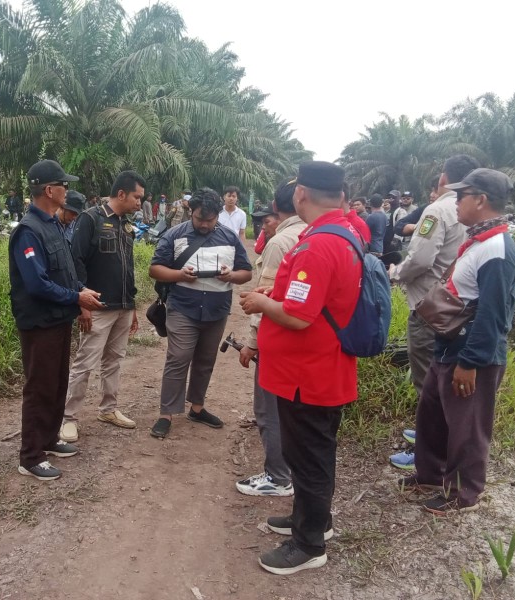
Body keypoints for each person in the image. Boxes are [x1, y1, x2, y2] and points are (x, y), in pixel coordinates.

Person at [239, 161, 362, 575]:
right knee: (313, 451)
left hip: (307, 373)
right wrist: (276, 292)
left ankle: (308, 545)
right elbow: (312, 298)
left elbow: (297, 315)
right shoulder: (340, 234)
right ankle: (313, 519)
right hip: (318, 368)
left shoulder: (318, 245)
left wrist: (261, 303)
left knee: (307, 456)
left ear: (300, 195)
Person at [402, 168, 515, 515]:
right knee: (433, 415)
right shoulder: (479, 240)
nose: (454, 202)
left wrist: (470, 363)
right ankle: (429, 474)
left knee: (467, 428)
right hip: (448, 344)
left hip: (470, 352)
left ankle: (463, 492)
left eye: (460, 196)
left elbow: (494, 316)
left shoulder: (497, 250)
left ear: (480, 200)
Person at [9, 160, 104, 481]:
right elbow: (36, 283)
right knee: (39, 387)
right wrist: (76, 298)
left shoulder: (52, 224)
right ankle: (31, 455)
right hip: (39, 323)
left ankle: (48, 440)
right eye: (63, 185)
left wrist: (80, 289)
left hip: (58, 318)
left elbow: (62, 271)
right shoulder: (28, 231)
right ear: (49, 190)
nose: (67, 190)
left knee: (57, 382)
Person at [388, 155, 479, 470]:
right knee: (439, 379)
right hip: (459, 309)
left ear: (444, 178)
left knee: (428, 385)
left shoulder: (439, 209)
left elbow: (421, 260)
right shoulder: (477, 211)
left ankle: (428, 453)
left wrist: (394, 273)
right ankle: (432, 440)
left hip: (430, 307)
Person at [149, 188, 252, 439]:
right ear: (190, 213)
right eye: (199, 219)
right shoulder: (175, 234)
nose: (204, 224)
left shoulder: (230, 237)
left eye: (210, 220)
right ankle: (166, 414)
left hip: (217, 310)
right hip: (183, 307)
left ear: (218, 215)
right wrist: (180, 275)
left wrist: (231, 276)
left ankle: (197, 407)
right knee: (179, 356)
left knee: (205, 360)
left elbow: (246, 272)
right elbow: (155, 269)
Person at [60, 171, 145, 442]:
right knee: (85, 363)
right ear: (121, 194)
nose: (140, 203)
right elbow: (76, 262)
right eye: (137, 197)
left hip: (122, 305)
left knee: (114, 361)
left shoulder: (125, 224)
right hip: (97, 306)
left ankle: (108, 409)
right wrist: (82, 302)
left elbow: (127, 268)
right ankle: (69, 417)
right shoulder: (91, 219)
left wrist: (131, 307)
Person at [236, 179, 306, 497]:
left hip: (276, 337)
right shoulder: (312, 234)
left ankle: (277, 477)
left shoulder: (281, 241)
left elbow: (265, 299)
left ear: (277, 208)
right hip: (301, 339)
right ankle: (291, 469)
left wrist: (252, 343)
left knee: (268, 408)